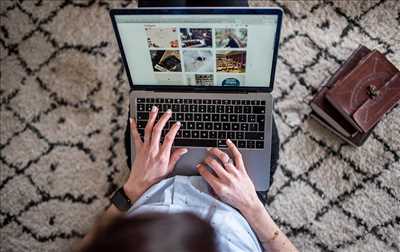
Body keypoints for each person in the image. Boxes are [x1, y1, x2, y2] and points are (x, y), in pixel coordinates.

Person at [76, 107, 298, 252]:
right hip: (239, 203)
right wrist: (252, 207)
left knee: (150, 112)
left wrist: (132, 191)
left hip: (147, 189)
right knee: (255, 111)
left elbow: (91, 246)